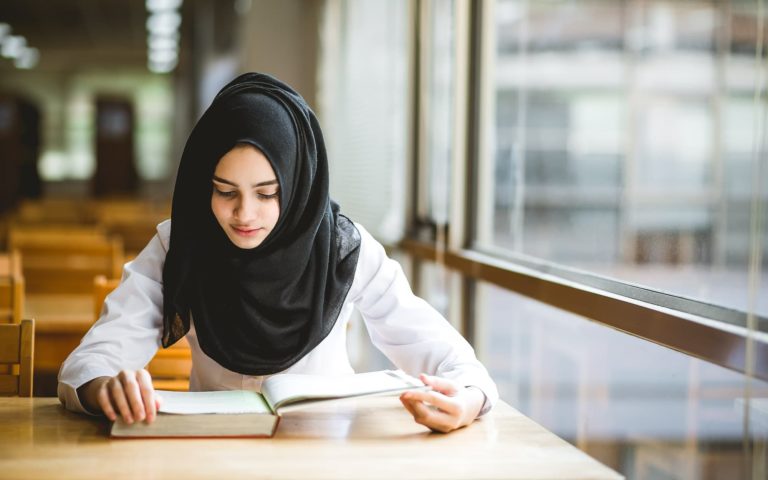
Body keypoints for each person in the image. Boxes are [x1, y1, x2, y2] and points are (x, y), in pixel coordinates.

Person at [58, 72, 498, 434]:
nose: (244, 214)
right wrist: (105, 389)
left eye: (268, 194)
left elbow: (455, 363)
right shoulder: (183, 245)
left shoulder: (344, 249)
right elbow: (88, 363)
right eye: (224, 191)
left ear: (300, 185)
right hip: (211, 458)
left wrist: (467, 399)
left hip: (323, 460)